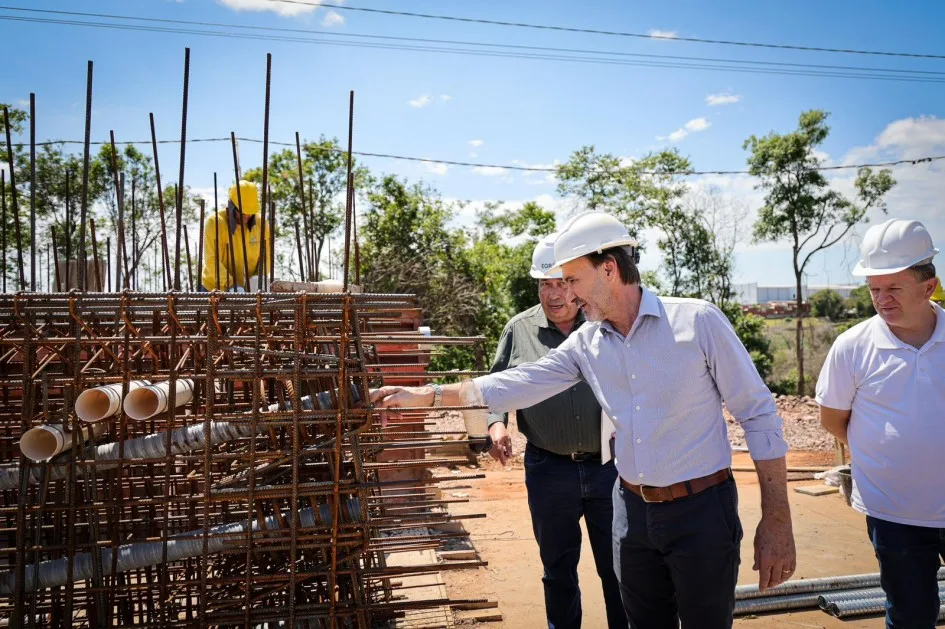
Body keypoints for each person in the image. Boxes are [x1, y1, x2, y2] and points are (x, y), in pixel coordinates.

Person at [373, 211, 796, 628]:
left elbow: (758, 415)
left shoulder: (697, 322)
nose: (568, 296)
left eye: (573, 280)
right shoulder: (587, 342)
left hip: (701, 512)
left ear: (609, 269)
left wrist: (777, 519)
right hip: (631, 513)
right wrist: (427, 396)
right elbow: (519, 381)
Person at [487, 234, 626, 629]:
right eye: (545, 284)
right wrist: (497, 424)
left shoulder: (604, 323)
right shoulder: (519, 329)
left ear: (576, 282)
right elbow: (497, 386)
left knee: (618, 566)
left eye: (562, 283)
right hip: (549, 470)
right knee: (558, 569)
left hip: (609, 469)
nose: (554, 294)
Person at [816, 218, 944, 629]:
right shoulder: (853, 347)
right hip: (895, 514)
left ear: (928, 287)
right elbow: (834, 419)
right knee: (910, 615)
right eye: (874, 289)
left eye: (893, 288)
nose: (881, 299)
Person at [200, 180, 269, 292]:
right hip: (213, 289)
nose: (247, 216)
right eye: (242, 212)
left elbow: (266, 258)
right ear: (232, 206)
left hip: (247, 290)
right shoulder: (214, 223)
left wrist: (255, 281)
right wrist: (231, 285)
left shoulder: (262, 224)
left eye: (250, 212)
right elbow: (211, 260)